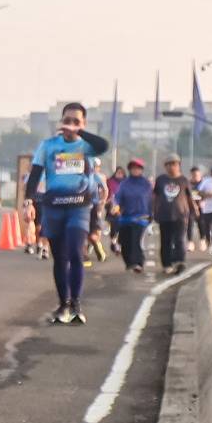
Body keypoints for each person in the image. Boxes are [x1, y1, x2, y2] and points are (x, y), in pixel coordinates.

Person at [29, 102, 114, 323]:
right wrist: (28, 201)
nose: (71, 125)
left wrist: (80, 132)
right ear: (61, 122)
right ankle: (63, 304)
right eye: (67, 120)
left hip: (79, 208)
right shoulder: (48, 146)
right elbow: (35, 174)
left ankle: (76, 304)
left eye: (76, 121)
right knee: (59, 257)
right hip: (54, 207)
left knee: (76, 253)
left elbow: (104, 145)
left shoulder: (86, 147)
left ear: (83, 124)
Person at [111, 158, 154, 273]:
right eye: (133, 168)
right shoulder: (124, 184)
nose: (135, 170)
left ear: (141, 170)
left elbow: (151, 200)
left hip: (141, 218)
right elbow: (117, 198)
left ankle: (138, 262)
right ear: (129, 169)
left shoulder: (146, 184)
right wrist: (115, 206)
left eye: (138, 168)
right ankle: (130, 263)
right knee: (125, 242)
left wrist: (151, 214)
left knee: (135, 240)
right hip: (125, 218)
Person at [153, 155, 195, 272]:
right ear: (165, 166)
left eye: (174, 164)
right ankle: (167, 264)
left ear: (178, 166)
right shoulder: (161, 180)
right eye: (169, 164)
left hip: (181, 215)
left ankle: (179, 261)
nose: (171, 167)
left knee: (179, 239)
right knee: (165, 241)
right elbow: (155, 197)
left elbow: (189, 198)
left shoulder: (184, 180)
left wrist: (194, 211)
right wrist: (154, 211)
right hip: (164, 215)